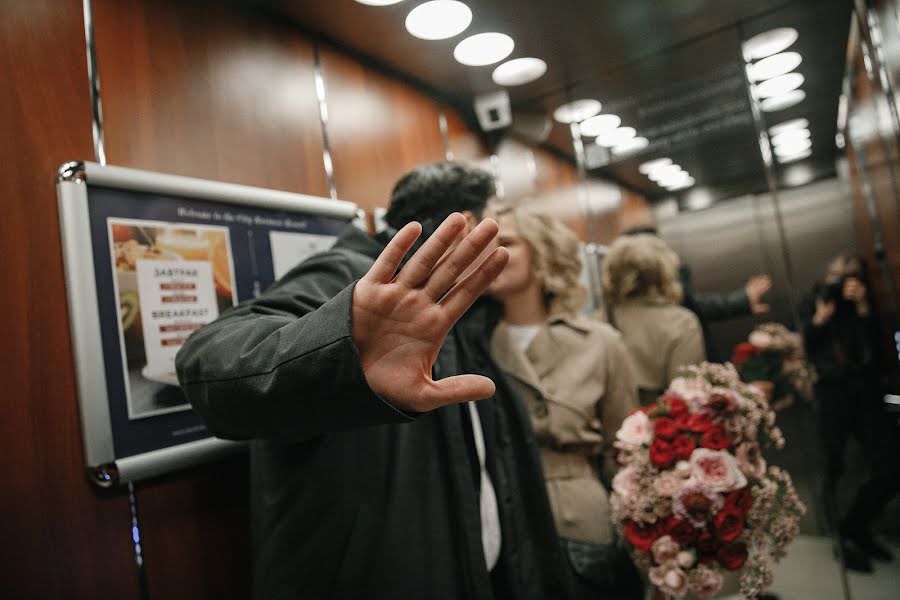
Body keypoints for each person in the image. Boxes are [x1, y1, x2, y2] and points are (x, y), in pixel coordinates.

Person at [175, 163, 573, 600]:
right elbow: (208, 360)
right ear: (468, 225)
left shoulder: (450, 303)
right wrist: (338, 344)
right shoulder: (352, 277)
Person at [486, 208, 643, 599]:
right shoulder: (472, 345)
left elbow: (625, 453)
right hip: (502, 526)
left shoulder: (601, 343)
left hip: (582, 524)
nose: (490, 254)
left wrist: (645, 544)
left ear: (542, 255)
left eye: (506, 243)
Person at [802, 254, 900, 573]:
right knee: (834, 466)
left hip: (867, 394)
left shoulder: (864, 306)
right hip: (832, 396)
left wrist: (863, 309)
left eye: (850, 276)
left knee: (890, 467)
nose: (841, 282)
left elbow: (880, 352)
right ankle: (841, 539)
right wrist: (820, 318)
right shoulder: (816, 300)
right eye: (836, 275)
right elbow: (806, 345)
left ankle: (856, 527)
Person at [622, 225, 772, 359]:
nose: (669, 254)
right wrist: (741, 301)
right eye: (660, 250)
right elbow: (692, 306)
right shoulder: (653, 298)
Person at [601, 234, 706, 404]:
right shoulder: (681, 322)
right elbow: (685, 397)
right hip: (658, 424)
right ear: (664, 272)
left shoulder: (597, 321)